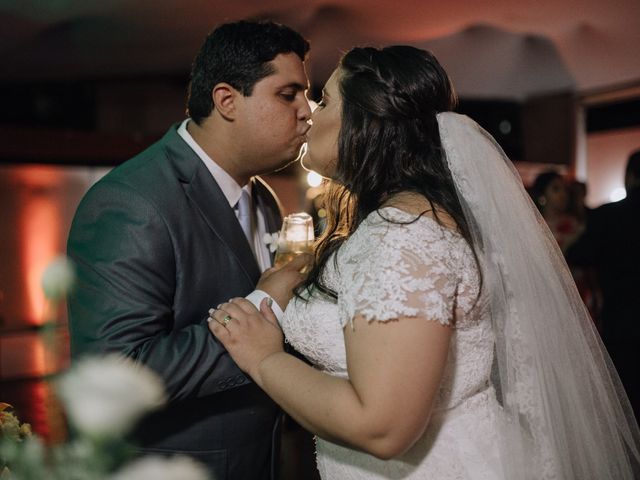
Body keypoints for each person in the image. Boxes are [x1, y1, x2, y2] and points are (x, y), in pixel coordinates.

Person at [209, 46, 640, 479]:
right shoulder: (415, 219)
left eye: (326, 101)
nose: (309, 115)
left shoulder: (400, 235)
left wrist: (264, 359)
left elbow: (382, 427)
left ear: (365, 124)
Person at [67, 20, 312, 480]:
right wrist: (265, 305)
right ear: (227, 101)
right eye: (288, 94)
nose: (307, 111)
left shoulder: (265, 199)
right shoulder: (133, 200)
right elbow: (115, 375)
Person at [567, 149, 640, 420]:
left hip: (622, 318)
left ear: (630, 177)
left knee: (627, 399)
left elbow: (579, 255)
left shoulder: (609, 216)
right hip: (622, 317)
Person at [531, 170, 582, 252]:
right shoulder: (534, 226)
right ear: (542, 194)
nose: (563, 194)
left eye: (564, 189)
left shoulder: (575, 225)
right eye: (556, 189)